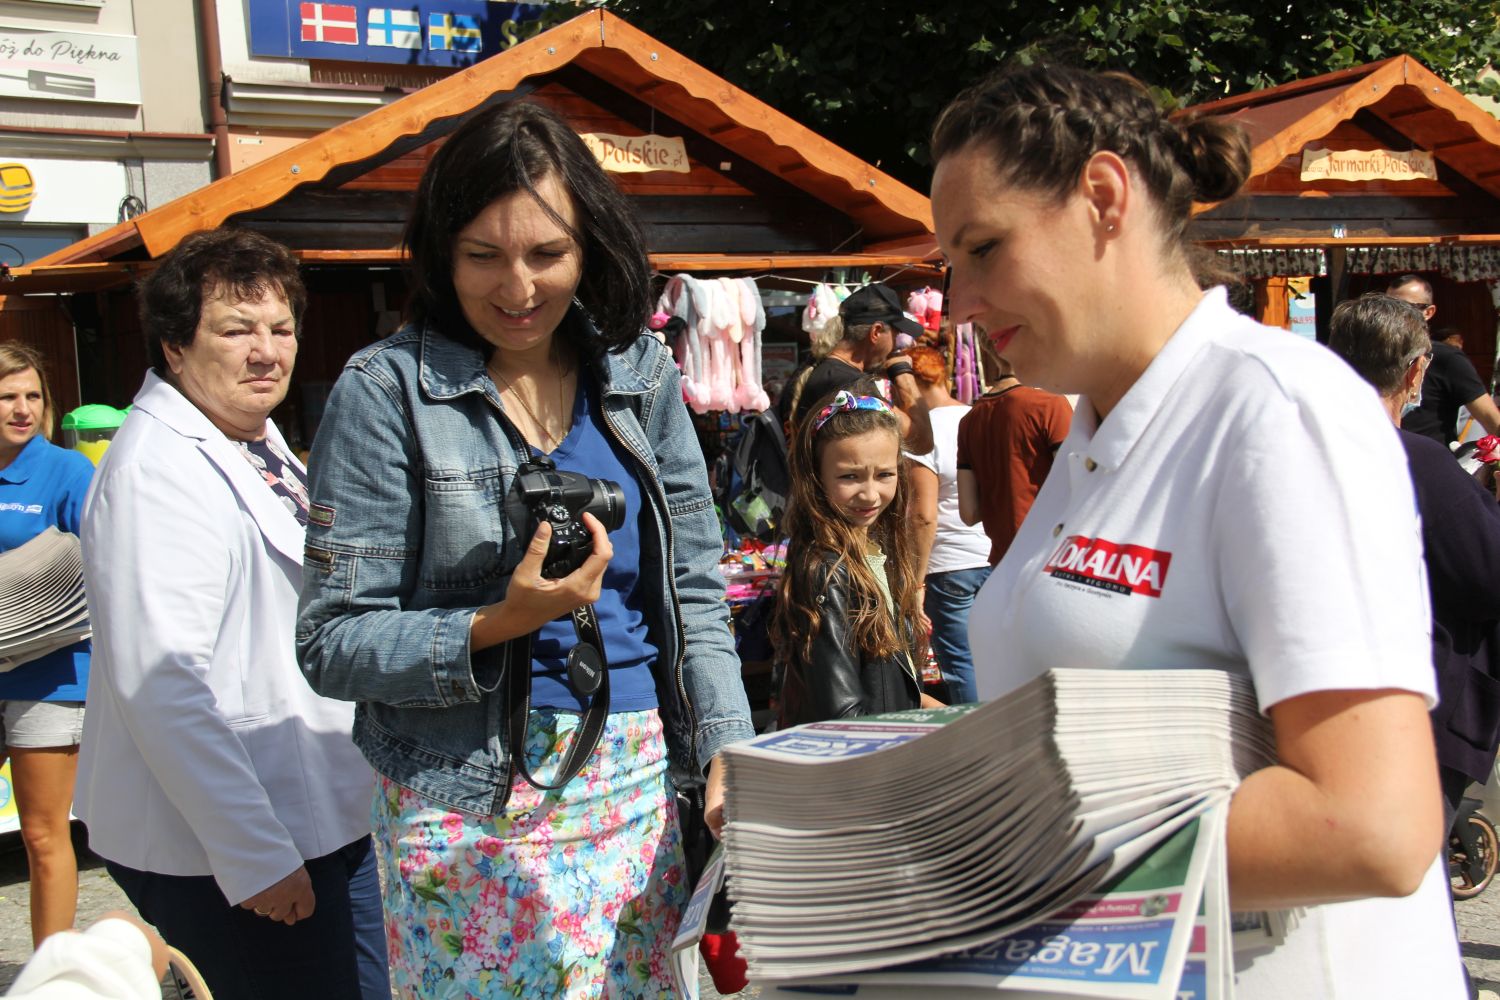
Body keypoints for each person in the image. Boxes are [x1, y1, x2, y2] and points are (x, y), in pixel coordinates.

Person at [933, 61, 1464, 997]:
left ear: (1103, 196)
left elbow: (1374, 826)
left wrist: (982, 841)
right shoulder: (1096, 433)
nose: (960, 305)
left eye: (982, 249)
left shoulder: (1276, 410)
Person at [295, 100, 755, 998]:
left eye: (546, 254)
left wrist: (729, 744)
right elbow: (332, 641)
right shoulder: (385, 392)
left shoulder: (641, 372)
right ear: (440, 253)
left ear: (590, 246)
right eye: (483, 256)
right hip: (462, 801)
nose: (518, 287)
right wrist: (500, 622)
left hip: (637, 776)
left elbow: (694, 587)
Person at [76, 228, 386, 1000]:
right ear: (175, 346)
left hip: (318, 807)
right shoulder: (157, 471)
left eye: (280, 329)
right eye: (236, 329)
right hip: (233, 843)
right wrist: (254, 855)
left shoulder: (254, 437)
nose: (266, 352)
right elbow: (164, 687)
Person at [1327, 293, 1500, 828]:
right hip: (1416, 705)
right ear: (1415, 369)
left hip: (1318, 691)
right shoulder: (1415, 460)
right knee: (1409, 884)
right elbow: (1489, 576)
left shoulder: (1298, 444)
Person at [772, 380, 938, 727]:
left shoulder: (876, 552)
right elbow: (843, 716)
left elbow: (883, 682)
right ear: (817, 477)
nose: (870, 495)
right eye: (850, 476)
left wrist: (924, 705)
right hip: (864, 763)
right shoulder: (826, 569)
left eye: (884, 475)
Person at [0, 343, 93, 947]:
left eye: (34, 395)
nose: (23, 408)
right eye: (8, 396)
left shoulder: (68, 471)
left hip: (50, 676)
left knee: (41, 833)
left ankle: (48, 976)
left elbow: (102, 567)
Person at [903, 346, 992, 703]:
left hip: (949, 566)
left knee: (960, 663)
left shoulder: (924, 432)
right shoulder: (977, 417)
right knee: (991, 657)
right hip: (991, 555)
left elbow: (924, 514)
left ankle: (978, 741)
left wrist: (917, 578)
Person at [778, 283, 934, 453]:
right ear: (876, 331)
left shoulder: (815, 368)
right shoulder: (855, 386)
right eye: (895, 334)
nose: (895, 346)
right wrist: (902, 372)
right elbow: (922, 442)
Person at [955, 355, 1071, 565]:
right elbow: (1076, 484)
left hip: (1004, 562)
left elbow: (969, 513)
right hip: (1051, 557)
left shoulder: (969, 421)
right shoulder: (1049, 405)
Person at [1389, 273, 1500, 446]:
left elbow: (1491, 419)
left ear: (1428, 312)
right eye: (1388, 307)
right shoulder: (1374, 355)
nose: (1395, 315)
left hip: (1430, 463)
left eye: (1405, 308)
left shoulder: (1446, 358)